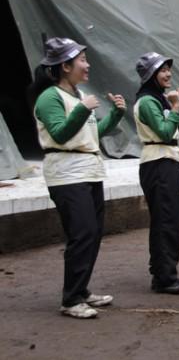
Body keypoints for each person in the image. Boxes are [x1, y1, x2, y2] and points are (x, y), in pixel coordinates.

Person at [30, 37, 125, 318]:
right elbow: (60, 134)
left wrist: (116, 115)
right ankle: (70, 299)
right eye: (82, 60)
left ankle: (81, 290)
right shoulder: (50, 97)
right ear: (65, 66)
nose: (88, 65)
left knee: (92, 233)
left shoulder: (78, 95)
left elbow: (91, 134)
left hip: (89, 171)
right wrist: (83, 109)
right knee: (82, 233)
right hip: (66, 174)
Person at [134, 52, 179, 294]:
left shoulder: (159, 99)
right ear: (151, 74)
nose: (168, 74)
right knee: (165, 219)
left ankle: (163, 270)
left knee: (170, 218)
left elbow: (176, 130)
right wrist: (176, 106)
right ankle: (164, 277)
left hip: (167, 159)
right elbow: (165, 132)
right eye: (162, 70)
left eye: (168, 69)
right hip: (157, 162)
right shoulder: (148, 101)